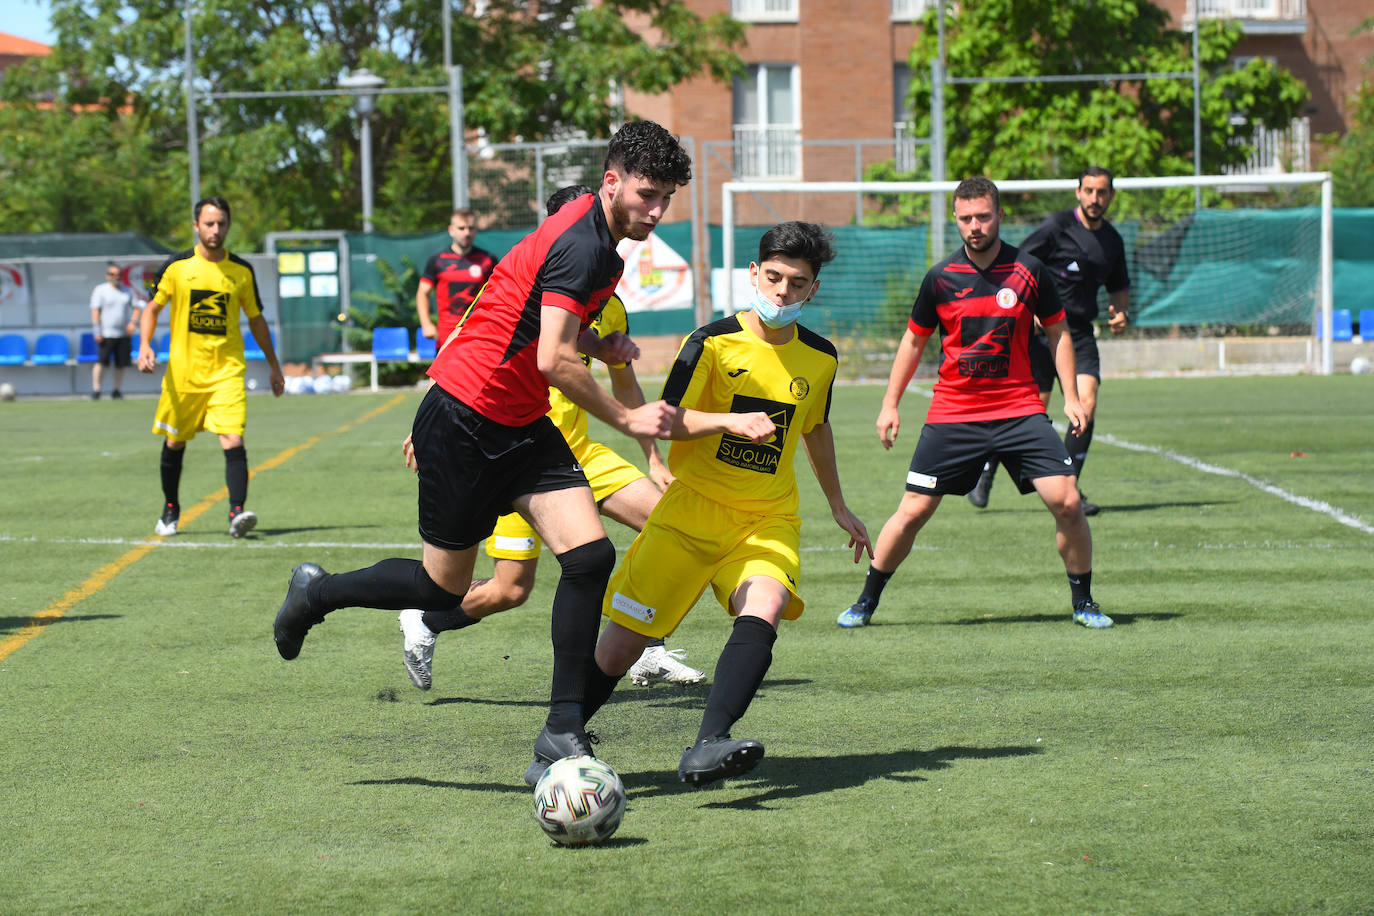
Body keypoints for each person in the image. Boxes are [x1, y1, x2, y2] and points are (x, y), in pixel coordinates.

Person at [272, 121, 694, 782]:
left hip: (520, 424)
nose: (657, 210)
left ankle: (561, 731)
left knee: (589, 557)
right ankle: (317, 594)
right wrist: (625, 412)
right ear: (611, 180)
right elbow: (553, 358)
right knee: (437, 584)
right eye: (648, 194)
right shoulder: (583, 245)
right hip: (466, 419)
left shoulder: (601, 247)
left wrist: (600, 346)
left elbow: (541, 324)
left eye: (667, 197)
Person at [569, 221, 872, 788]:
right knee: (617, 649)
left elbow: (817, 428)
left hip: (766, 518)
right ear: (754, 274)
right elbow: (668, 418)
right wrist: (731, 420)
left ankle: (709, 741)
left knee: (768, 603)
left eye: (798, 284)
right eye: (774, 277)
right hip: (689, 514)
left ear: (813, 290)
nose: (782, 293)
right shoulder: (709, 342)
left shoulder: (821, 359)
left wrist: (838, 503)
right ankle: (559, 738)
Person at [396, 185, 705, 693]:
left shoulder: (607, 298)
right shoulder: (522, 283)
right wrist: (423, 425)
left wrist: (652, 457)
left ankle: (645, 647)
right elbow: (465, 350)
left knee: (669, 525)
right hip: (512, 451)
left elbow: (625, 381)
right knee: (510, 590)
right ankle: (426, 621)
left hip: (579, 454)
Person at [836, 177, 1111, 630]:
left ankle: (1084, 603)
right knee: (914, 511)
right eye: (965, 218)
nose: (975, 226)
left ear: (999, 215)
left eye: (983, 216)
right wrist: (890, 404)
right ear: (956, 220)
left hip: (1020, 409)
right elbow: (912, 341)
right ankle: (866, 600)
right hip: (954, 414)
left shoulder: (1029, 271)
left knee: (1068, 500)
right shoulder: (940, 278)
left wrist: (1073, 397)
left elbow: (1059, 332)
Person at [967, 166, 1130, 516]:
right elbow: (1019, 264)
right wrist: (1032, 309)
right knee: (1029, 410)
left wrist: (1121, 312)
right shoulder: (1057, 227)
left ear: (1111, 196)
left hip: (1080, 333)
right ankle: (986, 470)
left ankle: (1068, 486)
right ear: (1078, 192)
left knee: (1085, 404)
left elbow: (1120, 285)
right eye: (1089, 191)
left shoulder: (1112, 241)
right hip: (1040, 332)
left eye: (1102, 193)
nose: (1095, 199)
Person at [138, 196, 286, 538]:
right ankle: (171, 509)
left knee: (233, 438)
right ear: (196, 226)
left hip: (227, 372)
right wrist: (145, 346)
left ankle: (237, 513)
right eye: (209, 223)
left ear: (228, 226)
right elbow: (151, 310)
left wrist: (274, 366)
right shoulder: (177, 267)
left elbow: (257, 320)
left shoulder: (241, 271)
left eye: (221, 223)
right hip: (183, 375)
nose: (215, 230)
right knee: (175, 443)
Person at [415, 207, 496, 347]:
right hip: (446, 336)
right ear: (451, 230)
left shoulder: (488, 260)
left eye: (471, 228)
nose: (467, 233)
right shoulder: (437, 260)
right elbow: (423, 293)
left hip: (478, 334)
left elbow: (497, 294)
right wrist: (426, 324)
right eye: (461, 228)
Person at [90, 263, 143, 400]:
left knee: (121, 364)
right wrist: (97, 330)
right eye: (112, 274)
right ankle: (97, 390)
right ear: (107, 276)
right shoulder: (100, 290)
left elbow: (137, 307)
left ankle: (116, 390)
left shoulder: (127, 290)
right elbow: (95, 311)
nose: (116, 277)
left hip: (123, 334)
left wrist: (132, 323)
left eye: (118, 274)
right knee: (101, 362)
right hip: (106, 334)